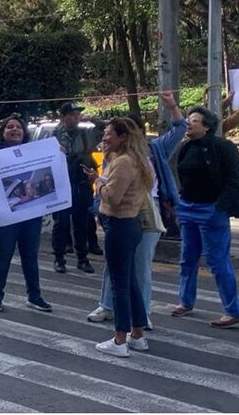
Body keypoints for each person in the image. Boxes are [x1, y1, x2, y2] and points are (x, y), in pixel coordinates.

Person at [87, 92, 185, 328]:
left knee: (140, 266)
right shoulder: (113, 155)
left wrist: (172, 106)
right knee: (115, 263)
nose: (106, 138)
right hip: (116, 213)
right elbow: (107, 185)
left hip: (147, 212)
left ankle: (141, 314)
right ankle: (108, 306)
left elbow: (180, 129)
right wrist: (98, 206)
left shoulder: (156, 149)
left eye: (111, 133)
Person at [172, 106, 239, 328]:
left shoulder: (223, 147)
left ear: (207, 126)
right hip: (187, 207)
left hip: (211, 209)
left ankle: (234, 310)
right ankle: (185, 301)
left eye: (194, 120)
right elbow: (182, 175)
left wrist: (219, 207)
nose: (188, 123)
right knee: (187, 258)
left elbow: (234, 181)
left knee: (217, 261)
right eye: (188, 119)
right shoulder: (186, 147)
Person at [0, 115, 53, 314]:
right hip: (6, 217)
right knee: (3, 255)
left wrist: (58, 155)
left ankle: (34, 297)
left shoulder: (34, 152)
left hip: (31, 215)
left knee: (30, 256)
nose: (15, 130)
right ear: (3, 132)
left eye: (18, 127)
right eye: (9, 127)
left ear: (24, 131)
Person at [94, 117, 153, 357]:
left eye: (109, 134)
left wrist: (97, 184)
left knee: (119, 284)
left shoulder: (124, 163)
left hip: (119, 224)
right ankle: (137, 334)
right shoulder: (131, 160)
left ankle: (120, 339)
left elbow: (113, 196)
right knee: (130, 282)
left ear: (123, 137)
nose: (105, 137)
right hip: (129, 225)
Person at [52, 102, 97, 273]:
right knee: (61, 223)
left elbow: (103, 128)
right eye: (71, 114)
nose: (75, 118)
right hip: (62, 183)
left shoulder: (85, 133)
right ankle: (59, 258)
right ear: (63, 117)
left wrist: (92, 118)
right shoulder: (54, 135)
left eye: (77, 114)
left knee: (82, 223)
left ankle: (83, 258)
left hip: (81, 184)